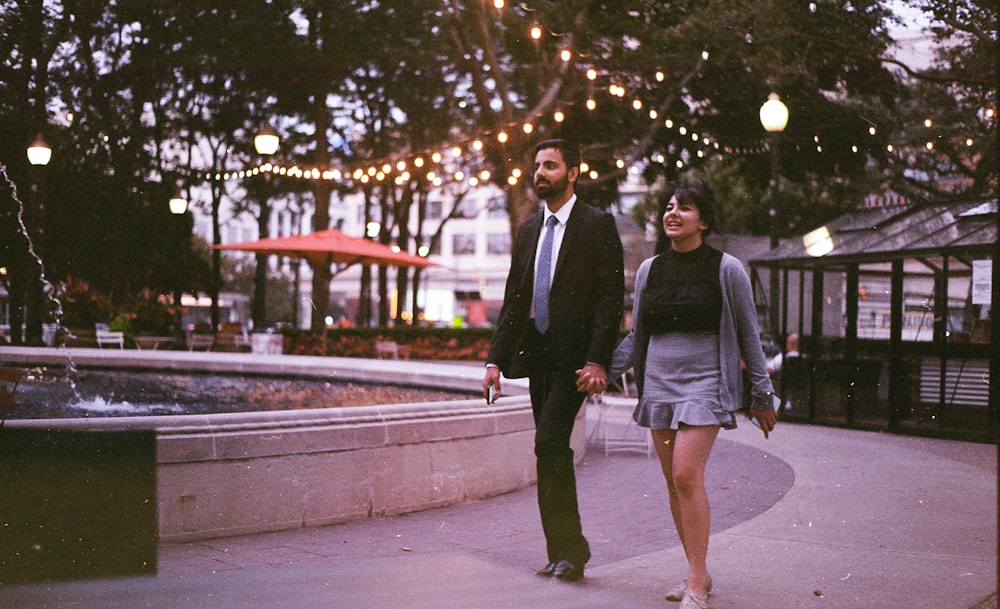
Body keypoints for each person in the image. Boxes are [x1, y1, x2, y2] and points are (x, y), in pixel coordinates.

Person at [609, 179, 776, 609]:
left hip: (705, 382)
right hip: (660, 384)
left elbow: (748, 336)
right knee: (673, 482)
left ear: (703, 220)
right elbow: (638, 333)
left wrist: (762, 394)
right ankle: (695, 572)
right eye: (669, 206)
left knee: (685, 475)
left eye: (684, 207)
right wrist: (600, 368)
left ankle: (696, 583)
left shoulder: (727, 269)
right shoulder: (650, 270)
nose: (673, 213)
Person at [483, 139, 624, 583]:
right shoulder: (529, 230)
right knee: (550, 450)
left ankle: (573, 549)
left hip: (576, 363)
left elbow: (610, 299)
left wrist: (599, 360)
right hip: (537, 355)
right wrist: (494, 362)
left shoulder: (597, 225)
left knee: (548, 443)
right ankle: (561, 551)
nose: (540, 173)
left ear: (573, 172)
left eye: (551, 165)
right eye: (538, 165)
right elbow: (514, 299)